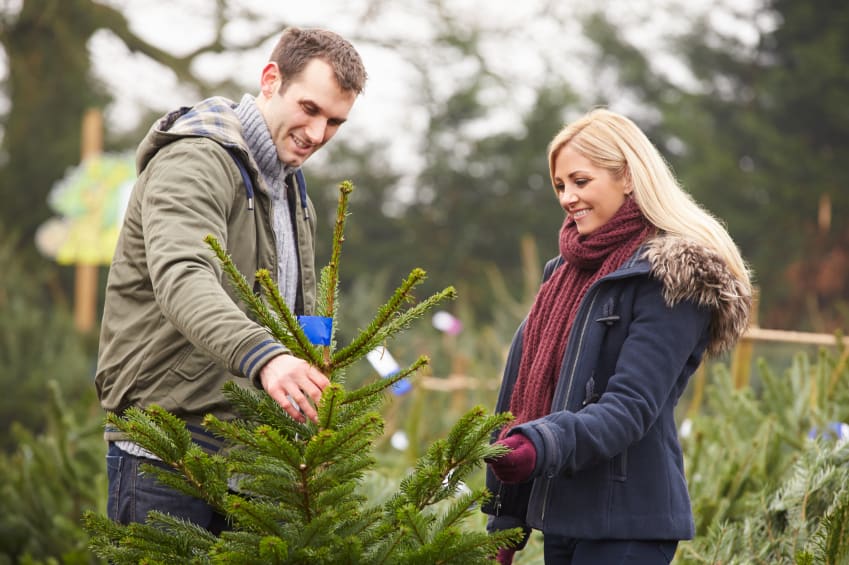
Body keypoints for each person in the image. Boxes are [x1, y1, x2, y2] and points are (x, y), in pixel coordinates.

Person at [94, 27, 367, 533]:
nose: (318, 133)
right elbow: (184, 277)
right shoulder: (194, 160)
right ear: (270, 80)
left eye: (335, 121)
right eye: (309, 109)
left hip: (255, 457)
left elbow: (295, 309)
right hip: (169, 450)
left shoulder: (291, 190)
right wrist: (267, 358)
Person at [482, 108, 752, 564]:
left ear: (627, 177)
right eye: (560, 186)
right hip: (562, 518)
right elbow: (521, 392)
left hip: (627, 527)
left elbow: (630, 407)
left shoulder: (670, 278)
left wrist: (538, 445)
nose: (568, 197)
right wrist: (506, 517)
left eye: (581, 181)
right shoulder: (563, 275)